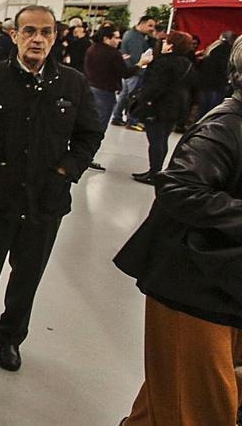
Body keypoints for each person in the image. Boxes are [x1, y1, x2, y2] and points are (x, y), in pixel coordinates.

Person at [113, 36, 242, 426]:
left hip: (221, 284)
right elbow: (179, 188)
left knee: (167, 401)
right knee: (199, 409)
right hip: (196, 287)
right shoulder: (226, 126)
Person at [0, 5, 102, 373]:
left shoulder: (73, 84)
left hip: (46, 201)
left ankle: (10, 339)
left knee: (27, 276)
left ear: (55, 36)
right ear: (15, 35)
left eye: (45, 32)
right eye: (29, 31)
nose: (37, 39)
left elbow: (90, 134)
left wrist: (66, 171)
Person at [128, 31, 197, 185]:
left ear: (171, 45)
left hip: (158, 107)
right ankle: (156, 170)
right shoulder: (188, 64)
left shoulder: (163, 62)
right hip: (177, 107)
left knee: (156, 140)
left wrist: (144, 100)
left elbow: (155, 86)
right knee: (162, 139)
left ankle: (154, 172)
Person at [84, 26, 141, 171]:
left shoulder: (93, 49)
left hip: (91, 89)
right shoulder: (112, 53)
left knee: (89, 125)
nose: (119, 40)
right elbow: (125, 73)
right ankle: (87, 158)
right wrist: (140, 64)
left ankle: (83, 156)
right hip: (104, 93)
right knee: (98, 128)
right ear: (106, 38)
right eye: (115, 37)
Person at [113, 15, 158, 128]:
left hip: (129, 70)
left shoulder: (134, 35)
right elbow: (137, 57)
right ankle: (131, 119)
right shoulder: (135, 38)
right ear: (142, 23)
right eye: (150, 25)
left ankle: (117, 116)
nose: (152, 29)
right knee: (132, 96)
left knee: (124, 96)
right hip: (134, 71)